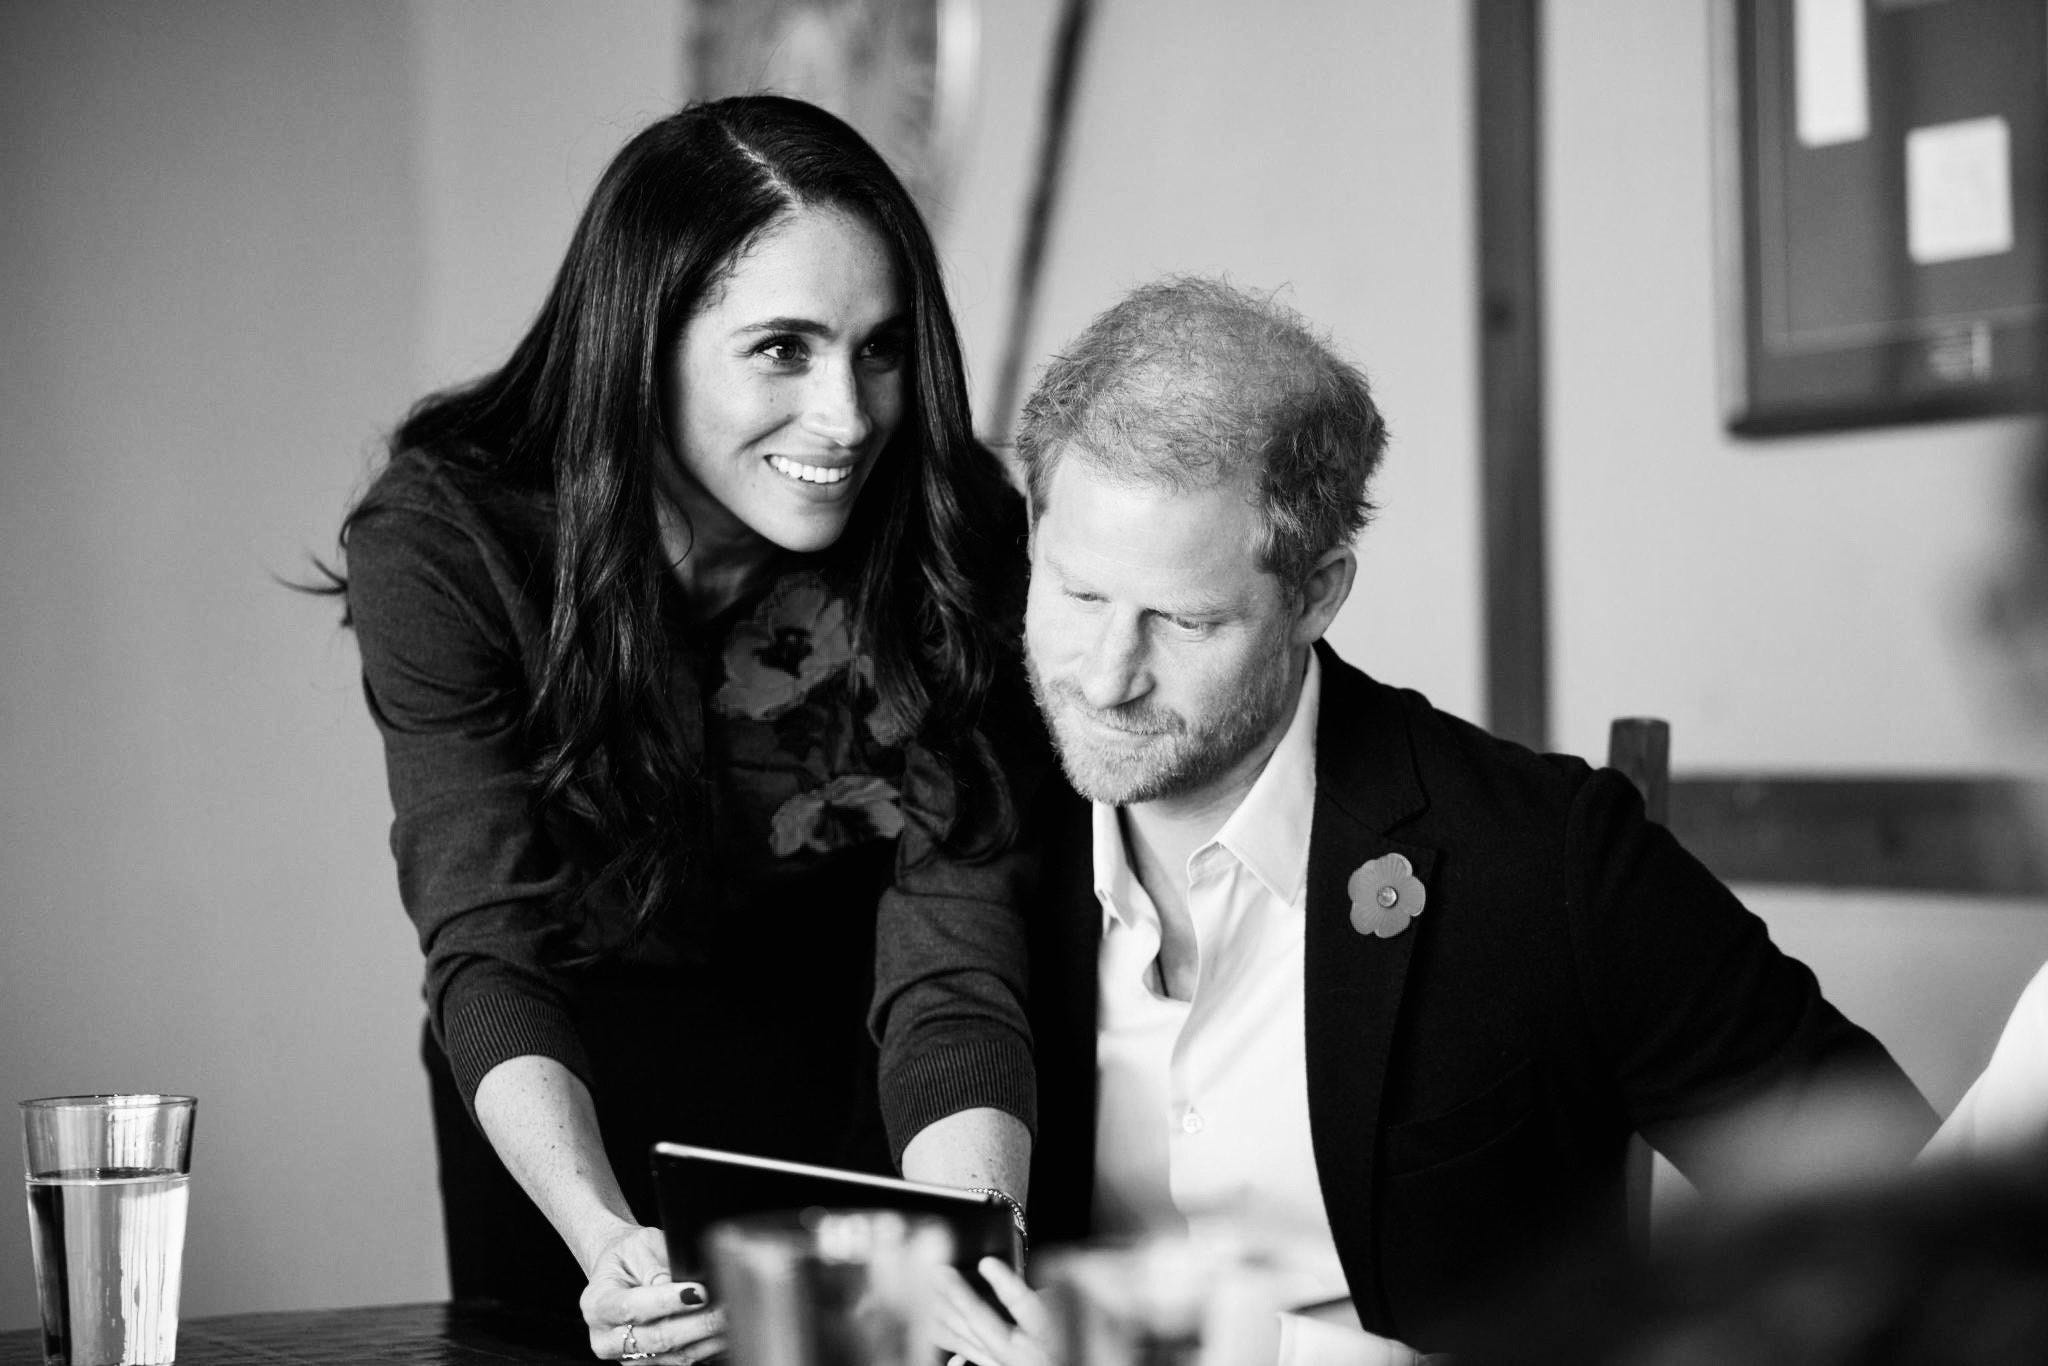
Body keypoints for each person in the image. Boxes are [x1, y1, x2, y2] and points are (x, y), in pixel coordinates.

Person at [902, 275, 1936, 1363]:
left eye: (1184, 619)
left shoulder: (1548, 858)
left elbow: (1902, 1229)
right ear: (1031, 529)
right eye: (1075, 595)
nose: (1107, 679)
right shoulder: (980, 814)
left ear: (1315, 593)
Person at [326, 96, 1037, 1364]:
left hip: (873, 1074)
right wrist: (605, 1239)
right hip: (569, 1103)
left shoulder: (948, 530)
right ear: (639, 345)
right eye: (781, 349)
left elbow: (956, 948)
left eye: (879, 349)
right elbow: (487, 941)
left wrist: (969, 1234)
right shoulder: (450, 542)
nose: (848, 415)